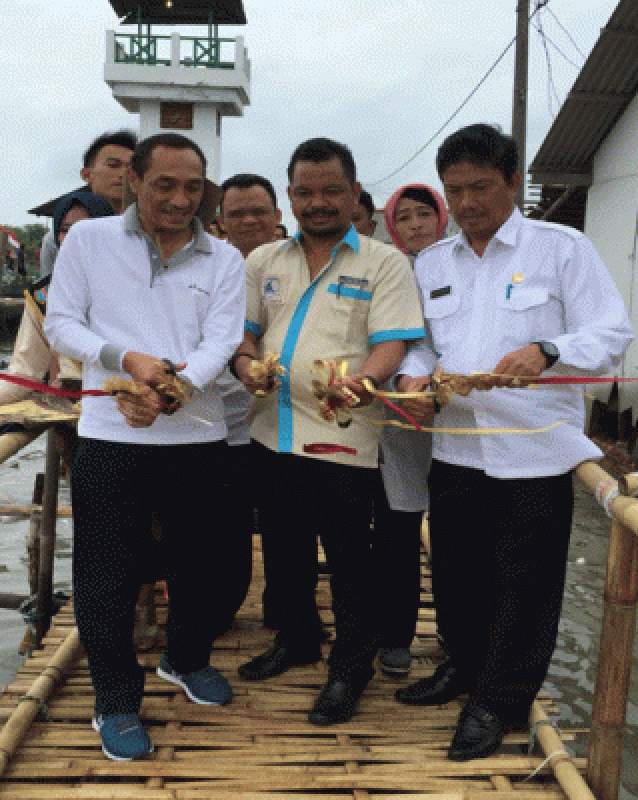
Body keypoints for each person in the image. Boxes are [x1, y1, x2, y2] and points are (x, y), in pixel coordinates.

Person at [392, 124, 632, 760]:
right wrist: (415, 373)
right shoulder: (433, 262)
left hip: (534, 451)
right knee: (456, 574)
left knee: (524, 584)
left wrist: (547, 350)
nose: (468, 202)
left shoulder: (561, 249)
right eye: (456, 190)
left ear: (512, 182)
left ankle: (500, 700)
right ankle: (464, 672)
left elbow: (612, 331)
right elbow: (419, 340)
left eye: (481, 186)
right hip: (457, 448)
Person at [44, 132, 246, 761]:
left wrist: (177, 388)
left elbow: (223, 340)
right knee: (106, 573)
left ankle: (185, 660)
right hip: (112, 433)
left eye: (192, 187)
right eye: (166, 184)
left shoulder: (224, 259)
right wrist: (123, 357)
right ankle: (114, 699)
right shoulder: (88, 242)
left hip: (199, 435)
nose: (180, 199)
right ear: (133, 178)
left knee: (203, 568)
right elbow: (61, 323)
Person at [232, 137, 426, 726]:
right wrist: (246, 367)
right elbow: (243, 335)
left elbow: (391, 341)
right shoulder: (263, 261)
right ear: (290, 195)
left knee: (349, 560)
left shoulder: (382, 262)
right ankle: (295, 640)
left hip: (344, 435)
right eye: (305, 191)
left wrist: (365, 382)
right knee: (286, 550)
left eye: (330, 191)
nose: (317, 203)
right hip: (272, 431)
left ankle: (351, 666)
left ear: (353, 191)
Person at [371, 183, 450, 679]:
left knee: (456, 531)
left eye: (425, 213)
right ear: (392, 225)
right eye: (405, 217)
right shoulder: (385, 268)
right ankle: (394, 635)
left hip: (458, 416)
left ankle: (455, 631)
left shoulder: (458, 266)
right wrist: (404, 378)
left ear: (442, 218)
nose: (416, 224)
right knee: (398, 528)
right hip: (399, 415)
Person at [0, 189, 113, 417]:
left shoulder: (132, 285)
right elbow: (25, 370)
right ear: (56, 235)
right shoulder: (42, 297)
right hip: (70, 413)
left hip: (128, 411)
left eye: (85, 227)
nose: (74, 236)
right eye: (66, 229)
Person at [215, 173, 284, 632]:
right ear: (220, 221)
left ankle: (285, 614)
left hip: (282, 420)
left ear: (278, 216)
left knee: (284, 526)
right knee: (224, 528)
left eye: (258, 211)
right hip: (217, 422)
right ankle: (218, 610)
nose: (248, 220)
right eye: (236, 213)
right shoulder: (206, 267)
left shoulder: (297, 265)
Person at [39, 129, 138, 278]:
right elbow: (48, 294)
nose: (124, 174)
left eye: (131, 167)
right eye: (113, 165)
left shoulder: (147, 232)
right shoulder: (56, 240)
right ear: (86, 175)